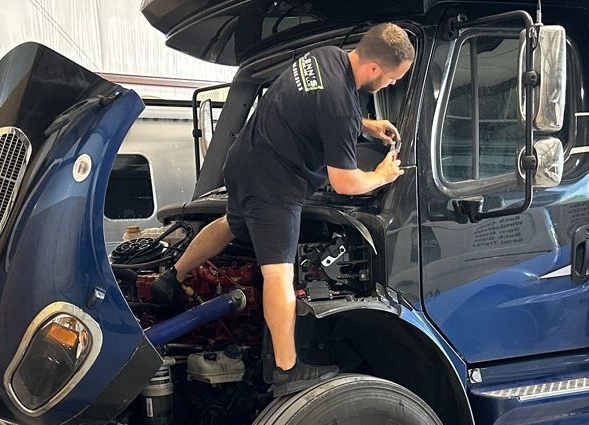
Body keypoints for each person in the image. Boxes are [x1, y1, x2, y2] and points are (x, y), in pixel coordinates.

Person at [152, 23, 415, 394]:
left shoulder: (325, 56)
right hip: (275, 188)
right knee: (279, 275)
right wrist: (382, 174)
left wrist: (366, 125)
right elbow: (345, 182)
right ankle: (287, 370)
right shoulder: (341, 105)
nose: (390, 85)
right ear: (374, 68)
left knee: (231, 222)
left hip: (243, 165)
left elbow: (310, 107)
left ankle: (172, 278)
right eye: (391, 78)